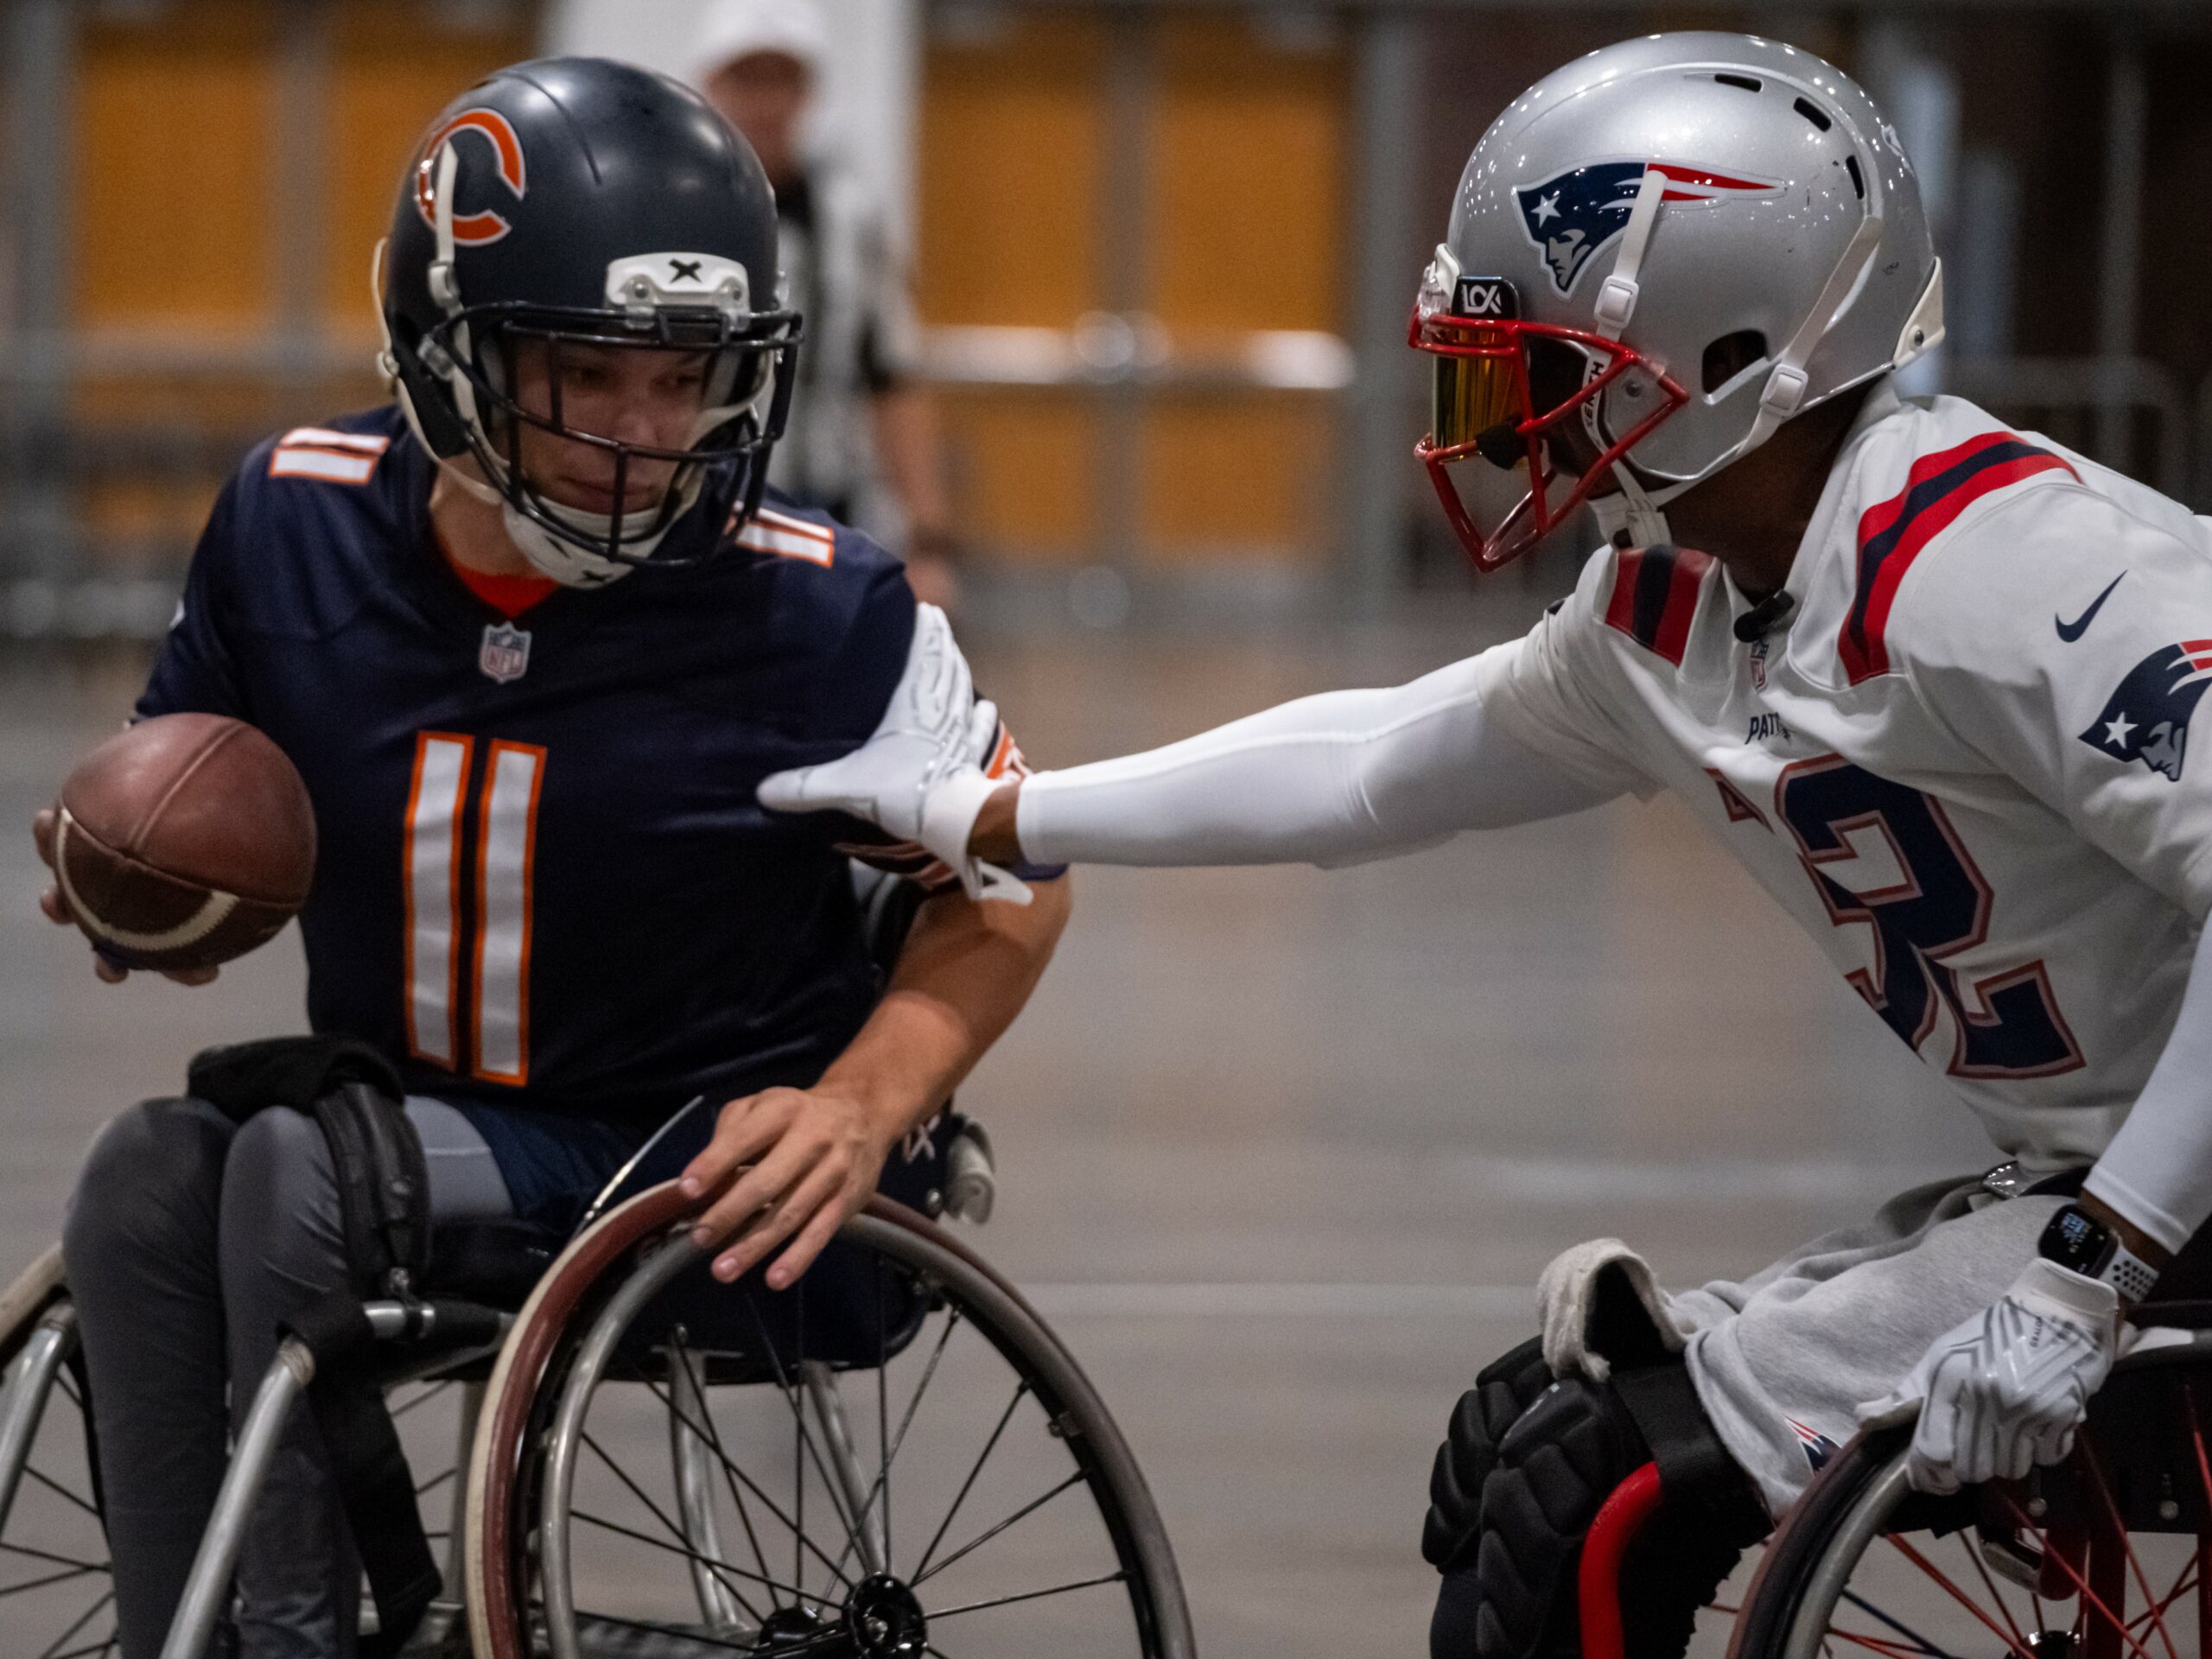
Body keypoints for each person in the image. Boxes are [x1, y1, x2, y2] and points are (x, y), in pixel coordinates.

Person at [753, 30, 2212, 1659]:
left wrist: (2096, 1262)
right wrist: (1000, 812)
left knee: (1605, 1490)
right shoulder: (1685, 603)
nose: (1506, 416)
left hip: (2159, 1205)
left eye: (1537, 363)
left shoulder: (1991, 561)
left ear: (1728, 349)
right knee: (1536, 1428)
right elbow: (1375, 767)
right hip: (2127, 1182)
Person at [30, 57, 1066, 1658]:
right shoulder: (292, 524)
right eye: (587, 373)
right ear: (449, 350)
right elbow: (190, 803)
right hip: (406, 1128)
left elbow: (1016, 878)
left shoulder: (817, 606)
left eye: (687, 377)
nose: (645, 435)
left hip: (706, 1167)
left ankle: (297, 1642)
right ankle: (200, 1631)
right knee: (146, 1174)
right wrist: (139, 892)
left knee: (297, 1172)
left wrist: (865, 1106)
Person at [690, 0, 959, 609]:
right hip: (692, 510)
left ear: (808, 91)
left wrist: (929, 537)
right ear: (711, 84)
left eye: (781, 79)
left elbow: (890, 376)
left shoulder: (849, 218)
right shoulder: (671, 210)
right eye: (747, 78)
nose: (765, 102)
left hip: (820, 507)